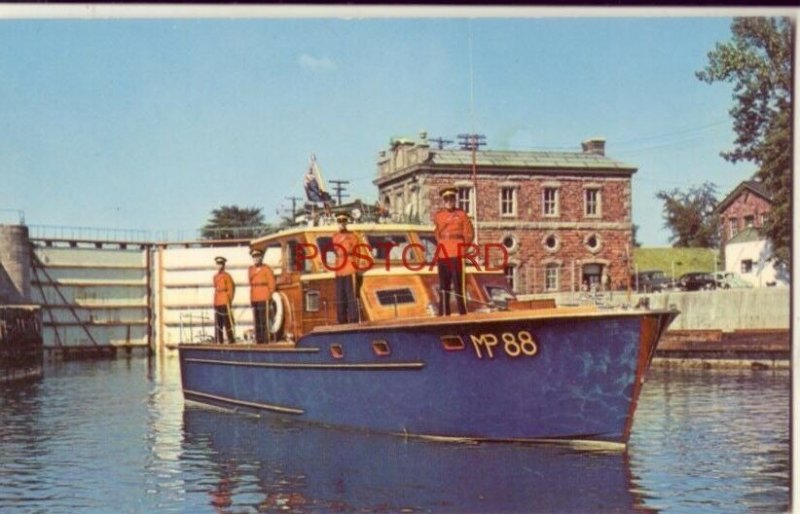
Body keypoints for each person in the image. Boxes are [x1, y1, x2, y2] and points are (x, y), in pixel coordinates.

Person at [433, 186, 475, 316]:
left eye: (451, 198)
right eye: (446, 199)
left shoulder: (462, 215)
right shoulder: (439, 216)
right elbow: (436, 233)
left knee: (458, 286)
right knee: (443, 287)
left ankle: (462, 313)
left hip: (457, 254)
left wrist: (462, 250)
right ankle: (443, 313)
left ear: (455, 199)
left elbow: (469, 234)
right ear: (443, 200)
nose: (449, 201)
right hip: (443, 254)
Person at [332, 212, 360, 323]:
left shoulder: (353, 236)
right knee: (340, 295)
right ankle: (341, 319)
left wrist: (355, 266)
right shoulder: (335, 236)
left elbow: (357, 252)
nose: (341, 224)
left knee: (350, 295)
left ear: (346, 222)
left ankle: (353, 319)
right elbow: (335, 249)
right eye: (339, 222)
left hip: (349, 267)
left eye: (343, 222)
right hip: (339, 268)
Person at [248, 248, 276, 343]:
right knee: (256, 319)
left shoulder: (266, 269)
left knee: (264, 319)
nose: (256, 259)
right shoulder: (251, 269)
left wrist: (270, 295)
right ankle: (258, 339)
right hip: (255, 296)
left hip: (264, 296)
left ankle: (265, 339)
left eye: (257, 257)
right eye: (254, 257)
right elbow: (251, 284)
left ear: (261, 258)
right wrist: (251, 298)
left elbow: (271, 283)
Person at [212, 256, 236, 344]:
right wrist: (214, 302)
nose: (219, 266)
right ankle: (219, 340)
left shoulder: (227, 276)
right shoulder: (215, 277)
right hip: (218, 301)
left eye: (221, 264)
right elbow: (216, 290)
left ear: (224, 265)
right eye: (218, 264)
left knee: (227, 322)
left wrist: (229, 300)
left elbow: (231, 289)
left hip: (225, 301)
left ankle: (231, 339)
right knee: (218, 323)